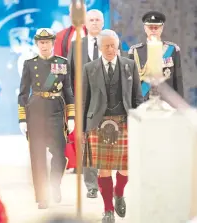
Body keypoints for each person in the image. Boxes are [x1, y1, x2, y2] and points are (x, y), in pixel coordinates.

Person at [82, 29, 143, 222]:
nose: (110, 49)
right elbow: (85, 99)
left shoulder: (129, 65)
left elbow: (137, 97)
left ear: (118, 45)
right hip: (98, 123)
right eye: (106, 46)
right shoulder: (89, 68)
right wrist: (85, 127)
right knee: (104, 168)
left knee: (125, 168)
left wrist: (138, 121)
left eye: (113, 45)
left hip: (124, 121)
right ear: (99, 47)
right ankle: (108, 210)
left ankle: (119, 192)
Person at [18, 28, 75, 209]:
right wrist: (22, 119)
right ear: (37, 44)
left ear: (52, 43)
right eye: (41, 42)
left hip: (56, 112)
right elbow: (23, 93)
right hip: (35, 113)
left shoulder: (62, 63)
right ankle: (42, 196)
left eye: (47, 42)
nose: (44, 45)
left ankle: (54, 184)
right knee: (37, 157)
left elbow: (68, 91)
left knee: (59, 154)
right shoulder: (29, 64)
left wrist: (71, 116)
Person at [67, 8, 105, 199]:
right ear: (85, 23)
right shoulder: (76, 46)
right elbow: (68, 75)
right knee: (88, 144)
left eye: (98, 20)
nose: (95, 23)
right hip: (84, 103)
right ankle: (91, 185)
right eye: (91, 20)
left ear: (103, 23)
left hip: (109, 103)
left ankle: (106, 181)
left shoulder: (112, 43)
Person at [128, 11, 184, 101]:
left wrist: (180, 108)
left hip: (167, 103)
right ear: (145, 28)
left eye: (156, 27)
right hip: (143, 103)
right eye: (150, 27)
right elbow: (131, 83)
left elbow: (178, 80)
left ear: (162, 28)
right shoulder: (135, 51)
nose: (153, 30)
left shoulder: (172, 49)